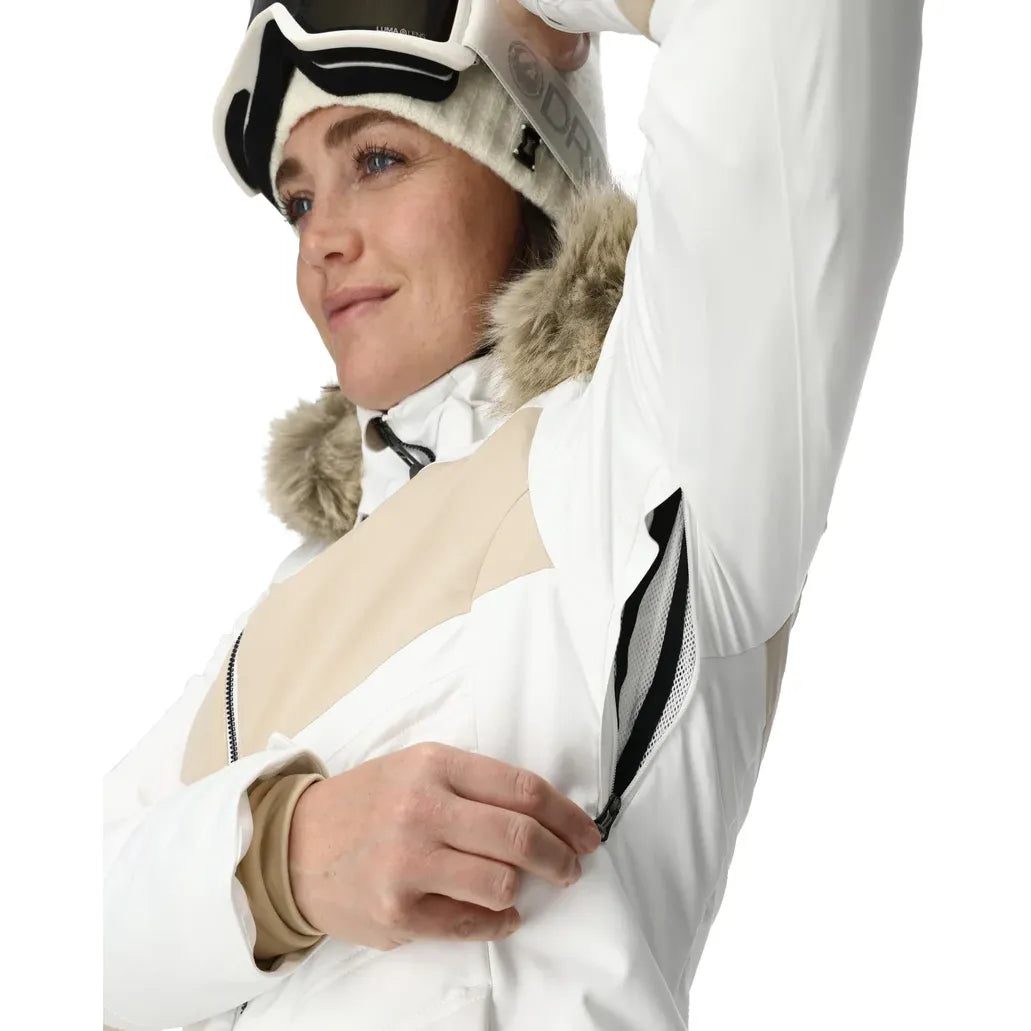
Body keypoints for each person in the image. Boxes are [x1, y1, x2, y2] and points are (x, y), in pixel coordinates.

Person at [103, 0, 924, 1027]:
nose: (321, 242)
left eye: (377, 160)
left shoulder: (639, 453)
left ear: (524, 162)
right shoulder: (267, 625)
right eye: (298, 199)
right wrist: (285, 854)